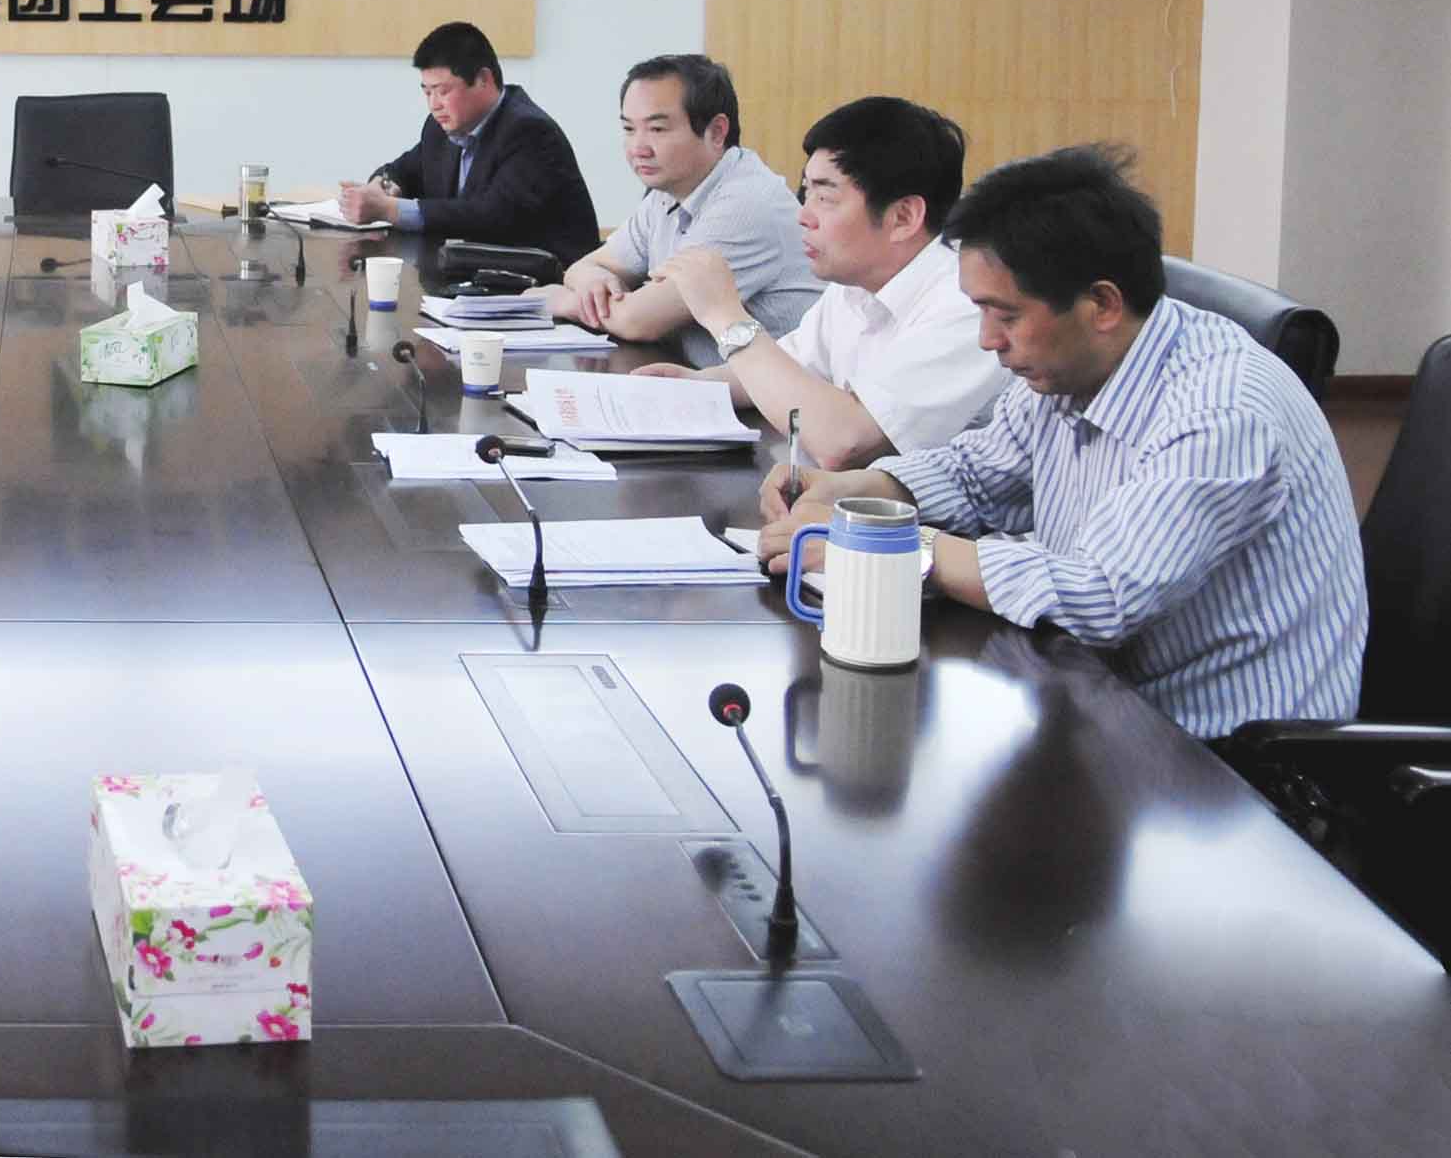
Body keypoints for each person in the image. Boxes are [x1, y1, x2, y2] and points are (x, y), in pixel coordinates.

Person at [758, 146, 1366, 739]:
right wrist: (855, 489)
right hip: (1099, 704)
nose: (987, 340)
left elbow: (1102, 594)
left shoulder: (1222, 410)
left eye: (1006, 316)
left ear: (1101, 304)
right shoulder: (1072, 364)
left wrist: (882, 544)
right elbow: (980, 474)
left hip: (1225, 759)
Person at [635, 95, 1003, 466]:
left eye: (825, 197)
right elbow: (788, 370)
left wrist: (725, 316)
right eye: (805, 191)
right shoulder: (854, 284)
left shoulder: (968, 303)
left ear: (904, 217)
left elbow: (845, 443)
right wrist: (695, 386)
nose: (803, 216)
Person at [547, 53, 820, 364]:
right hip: (696, 378)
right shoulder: (667, 192)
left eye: (657, 129)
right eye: (629, 129)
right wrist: (590, 283)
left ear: (716, 132)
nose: (638, 148)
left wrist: (567, 302)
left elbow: (637, 320)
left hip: (760, 393)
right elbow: (585, 267)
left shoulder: (747, 204)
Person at [331, 20, 599, 264]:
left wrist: (390, 210)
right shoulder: (440, 127)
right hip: (472, 275)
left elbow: (492, 216)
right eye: (427, 92)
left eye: (443, 91)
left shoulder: (530, 131)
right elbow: (403, 169)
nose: (434, 105)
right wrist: (381, 187)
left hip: (550, 283)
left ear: (483, 79)